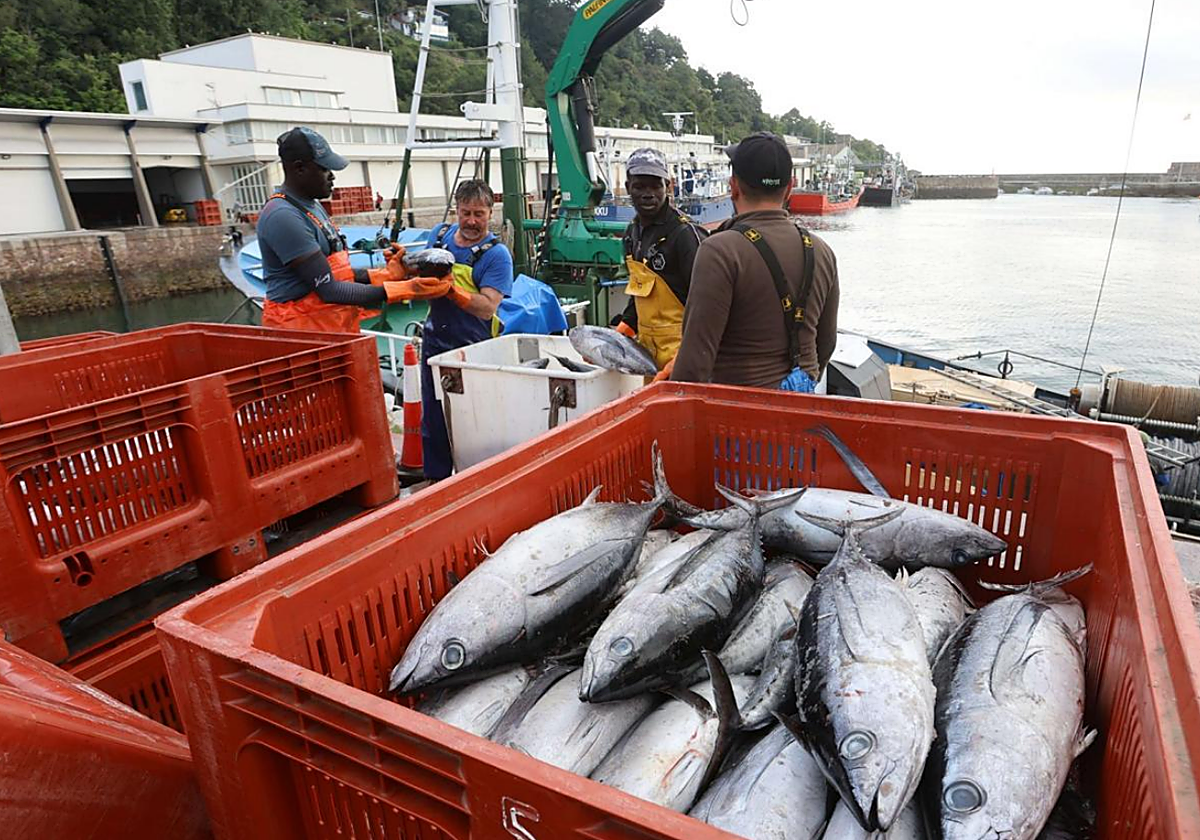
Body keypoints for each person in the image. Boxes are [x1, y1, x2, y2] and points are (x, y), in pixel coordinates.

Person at [672, 132, 840, 390]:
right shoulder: (823, 251)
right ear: (790, 188)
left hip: (737, 419)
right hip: (803, 414)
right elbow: (826, 343)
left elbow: (694, 364)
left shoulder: (719, 251)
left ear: (734, 186)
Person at [257, 127, 449, 334]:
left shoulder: (311, 205)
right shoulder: (284, 216)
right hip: (302, 334)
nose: (332, 177)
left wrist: (385, 274)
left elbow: (335, 274)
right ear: (299, 168)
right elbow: (329, 289)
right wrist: (405, 289)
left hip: (331, 327)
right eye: (324, 169)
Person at [420, 179, 515, 481]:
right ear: (456, 211)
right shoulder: (439, 236)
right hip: (434, 341)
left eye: (479, 214)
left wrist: (453, 292)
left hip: (473, 348)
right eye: (465, 213)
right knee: (433, 417)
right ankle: (436, 479)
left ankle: (478, 479)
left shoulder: (496, 255)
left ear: (491, 212)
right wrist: (401, 265)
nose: (472, 221)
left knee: (473, 420)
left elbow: (488, 306)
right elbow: (421, 271)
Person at [612, 148, 707, 381]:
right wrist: (624, 328)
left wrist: (685, 357)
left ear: (669, 186)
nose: (648, 194)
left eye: (656, 186)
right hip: (648, 354)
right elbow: (640, 293)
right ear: (627, 187)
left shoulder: (684, 234)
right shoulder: (632, 234)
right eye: (639, 186)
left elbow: (707, 306)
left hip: (684, 355)